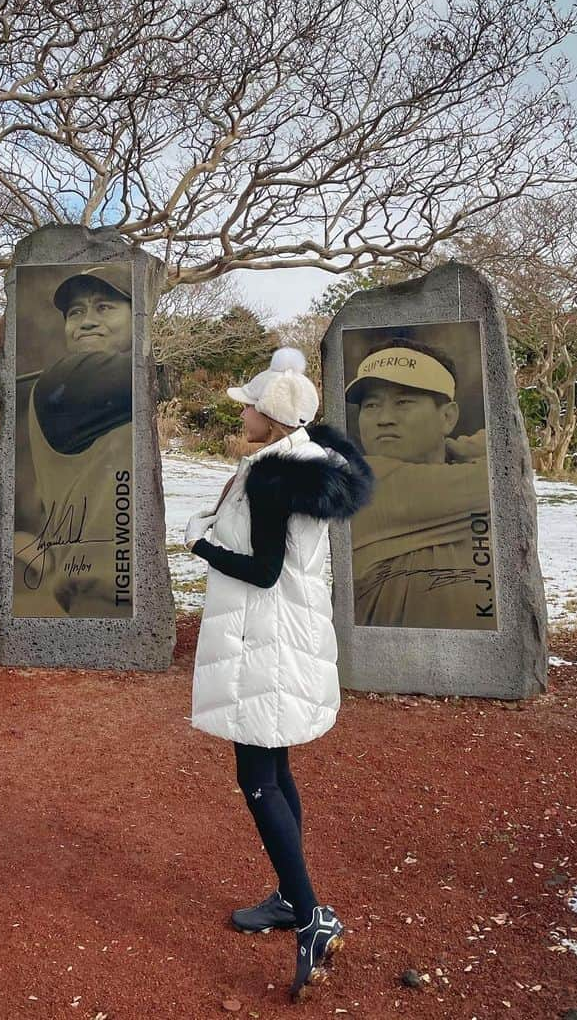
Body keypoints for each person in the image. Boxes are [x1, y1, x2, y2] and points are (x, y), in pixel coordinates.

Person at [184, 347, 372, 1002]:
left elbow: (262, 570)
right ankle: (295, 900)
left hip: (263, 640)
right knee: (277, 767)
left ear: (269, 415)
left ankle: (313, 917)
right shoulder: (300, 464)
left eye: (248, 403)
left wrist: (200, 543)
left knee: (257, 779)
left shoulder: (271, 476)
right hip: (286, 635)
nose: (240, 410)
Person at [345, 335, 496, 630]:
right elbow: (505, 471)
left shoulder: (455, 473)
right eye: (371, 405)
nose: (384, 418)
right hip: (385, 671)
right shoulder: (365, 482)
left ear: (448, 417)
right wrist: (455, 448)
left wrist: (450, 450)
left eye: (403, 402)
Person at [15, 263, 133, 617]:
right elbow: (148, 377)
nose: (87, 321)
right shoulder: (70, 380)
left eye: (104, 307)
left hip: (124, 597)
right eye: (75, 312)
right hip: (105, 603)